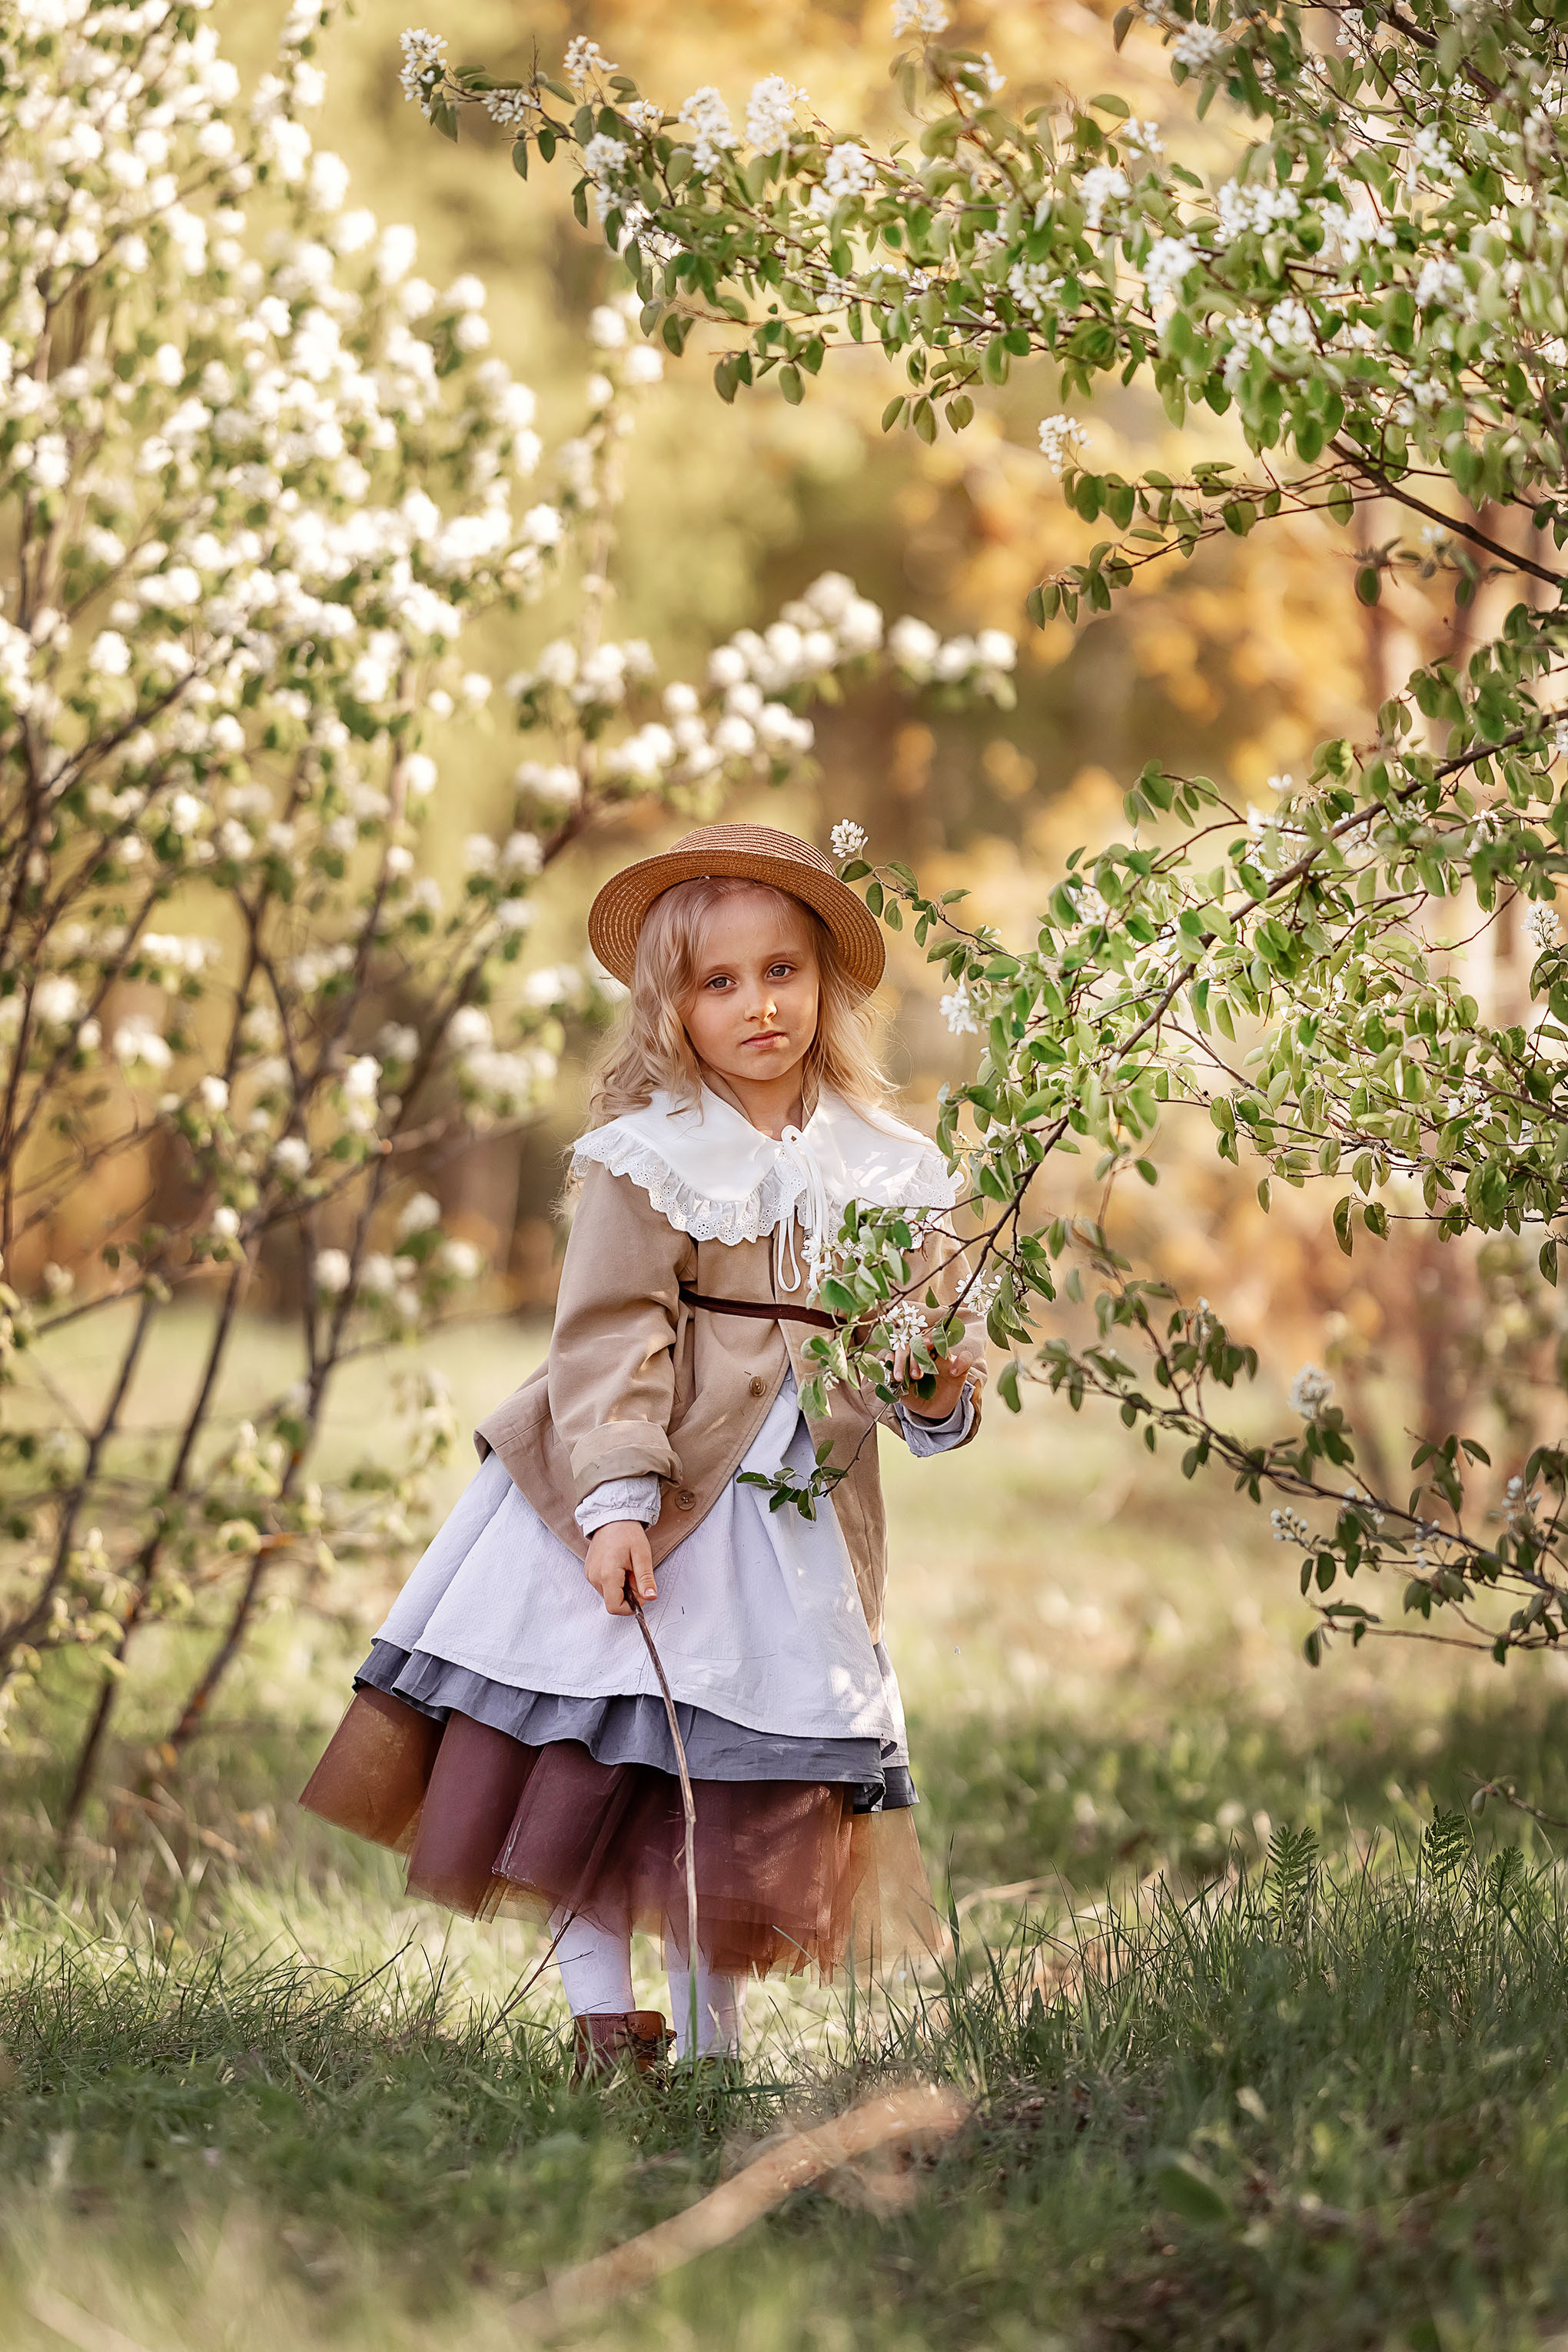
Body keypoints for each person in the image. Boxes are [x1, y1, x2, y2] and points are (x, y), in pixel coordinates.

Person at [300, 822, 984, 2078]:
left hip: (793, 1512)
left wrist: (932, 1384)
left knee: (740, 1770)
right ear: (670, 1007)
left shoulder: (893, 1168)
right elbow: (610, 1337)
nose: (757, 1004)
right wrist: (616, 1501)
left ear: (825, 981)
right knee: (585, 1746)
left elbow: (920, 1359)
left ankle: (718, 2044)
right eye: (717, 982)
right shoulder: (654, 1157)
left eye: (780, 971)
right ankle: (603, 2020)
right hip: (647, 1478)